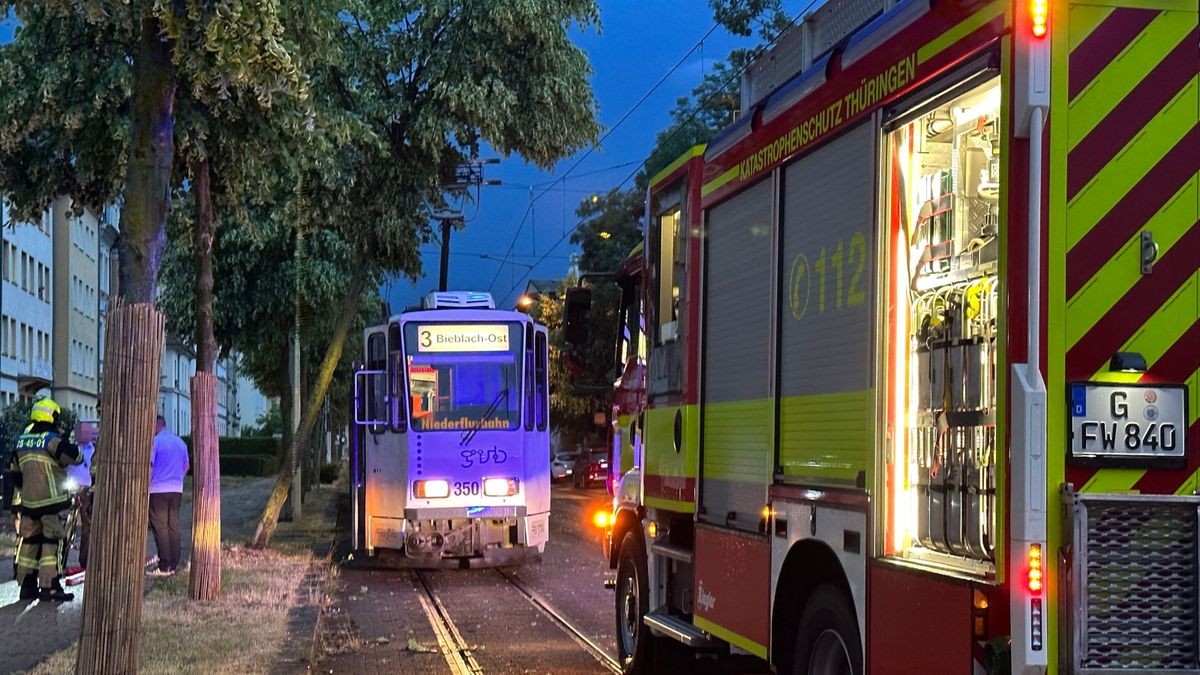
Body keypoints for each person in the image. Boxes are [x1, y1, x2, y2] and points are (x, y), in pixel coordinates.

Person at [9, 398, 83, 601]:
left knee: (29, 544)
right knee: (52, 544)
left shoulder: (21, 441)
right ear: (52, 416)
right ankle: (50, 587)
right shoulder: (51, 439)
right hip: (52, 503)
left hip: (29, 504)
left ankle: (26, 586)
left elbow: (14, 473)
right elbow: (76, 457)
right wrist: (65, 439)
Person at [148, 415, 188, 575]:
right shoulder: (180, 442)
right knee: (173, 525)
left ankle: (164, 566)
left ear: (156, 426)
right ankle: (174, 562)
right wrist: (178, 478)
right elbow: (186, 465)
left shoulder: (156, 442)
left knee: (160, 527)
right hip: (176, 489)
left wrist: (148, 483)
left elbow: (151, 465)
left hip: (158, 489)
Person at [65, 421, 97, 570]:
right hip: (70, 489)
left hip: (87, 491)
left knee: (87, 526)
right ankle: (61, 560)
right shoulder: (71, 449)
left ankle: (85, 560)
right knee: (65, 525)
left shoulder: (94, 450)